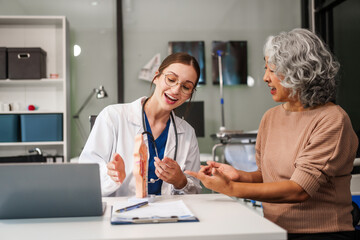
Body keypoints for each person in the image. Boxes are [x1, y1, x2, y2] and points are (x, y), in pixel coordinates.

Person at [186, 28, 358, 239]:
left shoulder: (332, 120)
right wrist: (240, 176)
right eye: (266, 68)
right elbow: (269, 177)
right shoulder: (271, 117)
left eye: (273, 70)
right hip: (275, 230)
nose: (265, 78)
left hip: (323, 232)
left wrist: (231, 187)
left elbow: (299, 189)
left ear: (300, 72)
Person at [80, 52, 202, 197]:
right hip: (122, 212)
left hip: (168, 216)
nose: (176, 90)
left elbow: (195, 193)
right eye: (171, 79)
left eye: (186, 87)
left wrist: (181, 181)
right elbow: (86, 172)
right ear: (156, 76)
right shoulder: (112, 116)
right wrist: (111, 175)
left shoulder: (187, 133)